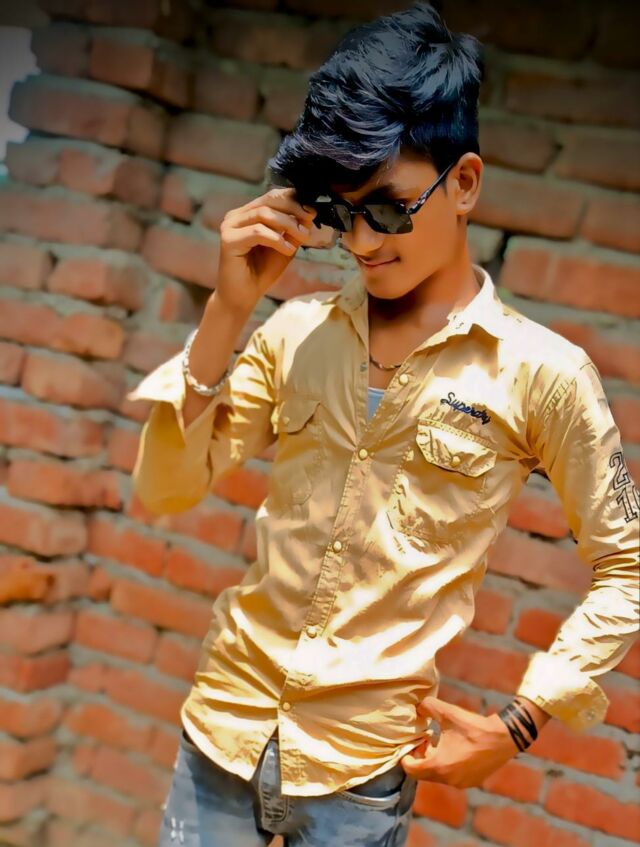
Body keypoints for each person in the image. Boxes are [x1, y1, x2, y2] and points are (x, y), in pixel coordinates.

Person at [126, 3, 640, 845]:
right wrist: (228, 309)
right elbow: (164, 489)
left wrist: (522, 718)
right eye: (340, 213)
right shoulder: (294, 333)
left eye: (389, 209)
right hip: (221, 730)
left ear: (464, 183)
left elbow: (628, 565)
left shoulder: (543, 375)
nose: (362, 242)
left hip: (358, 778)